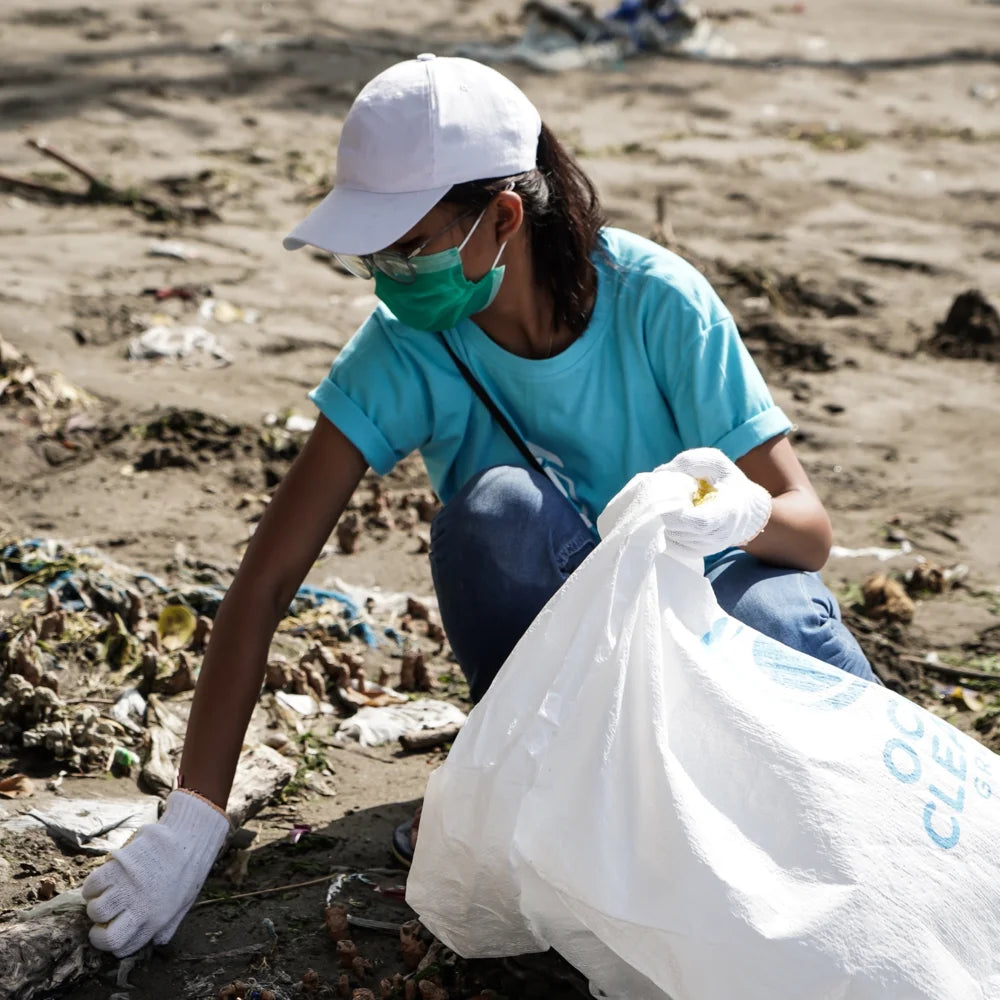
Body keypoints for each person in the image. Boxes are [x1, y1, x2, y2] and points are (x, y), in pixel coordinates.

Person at [81, 53, 878, 958]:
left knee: (781, 608)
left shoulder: (659, 304)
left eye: (409, 247)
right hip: (562, 699)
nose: (389, 275)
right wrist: (193, 821)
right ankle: (550, 800)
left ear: (502, 218)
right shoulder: (406, 350)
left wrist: (721, 510)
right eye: (372, 255)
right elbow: (264, 583)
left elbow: (808, 531)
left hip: (708, 638)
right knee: (496, 515)